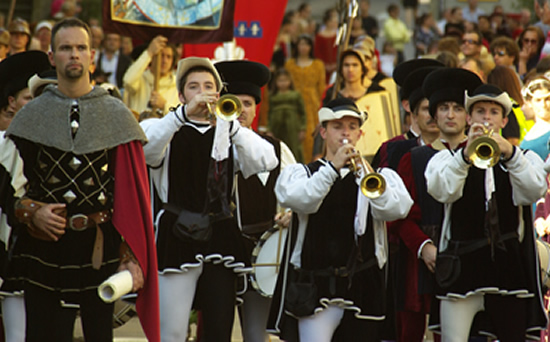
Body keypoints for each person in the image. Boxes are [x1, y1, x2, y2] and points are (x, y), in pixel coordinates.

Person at [2, 18, 159, 342]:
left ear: (92, 55)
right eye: (65, 48)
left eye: (80, 48)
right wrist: (32, 212)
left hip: (99, 249)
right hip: (42, 248)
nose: (74, 54)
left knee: (99, 337)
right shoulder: (31, 116)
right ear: (51, 57)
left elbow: (131, 193)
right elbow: (8, 188)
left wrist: (132, 256)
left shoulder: (116, 115)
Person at [140, 56, 278, 341]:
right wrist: (180, 114)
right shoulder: (165, 127)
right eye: (193, 86)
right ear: (181, 95)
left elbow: (267, 160)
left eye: (208, 86)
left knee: (218, 329)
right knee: (173, 331)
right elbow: (145, 150)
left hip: (220, 233)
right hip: (177, 233)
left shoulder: (229, 132)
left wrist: (232, 125)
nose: (202, 92)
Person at [267, 97, 413, 342]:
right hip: (317, 286)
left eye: (352, 127)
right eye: (337, 126)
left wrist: (366, 173)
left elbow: (398, 209)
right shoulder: (302, 173)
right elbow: (301, 199)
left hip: (364, 286)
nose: (346, 133)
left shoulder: (378, 176)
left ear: (360, 133)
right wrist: (332, 168)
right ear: (323, 132)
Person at [425, 81, 548, 341]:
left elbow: (533, 190)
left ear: (504, 121)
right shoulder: (447, 158)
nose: (487, 118)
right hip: (462, 271)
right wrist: (464, 157)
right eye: (480, 112)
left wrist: (511, 155)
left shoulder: (524, 157)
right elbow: (442, 191)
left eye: (494, 113)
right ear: (469, 119)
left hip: (508, 271)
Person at [391, 67, 483, 342]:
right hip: (423, 264)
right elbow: (400, 216)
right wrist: (424, 247)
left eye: (457, 108)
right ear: (434, 115)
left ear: (467, 116)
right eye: (444, 108)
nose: (451, 114)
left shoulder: (484, 156)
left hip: (472, 259)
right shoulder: (415, 158)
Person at [215, 59, 296, 342]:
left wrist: (290, 213)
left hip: (262, 257)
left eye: (247, 103)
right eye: (233, 102)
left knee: (255, 335)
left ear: (256, 108)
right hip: (220, 253)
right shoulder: (210, 149)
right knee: (215, 331)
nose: (241, 110)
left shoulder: (276, 148)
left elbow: (294, 192)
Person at [285, 34, 326, 163]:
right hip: (293, 103)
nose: (303, 47)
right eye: (301, 44)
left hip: (313, 104)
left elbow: (321, 87)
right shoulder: (290, 64)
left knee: (311, 135)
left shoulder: (318, 65)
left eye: (306, 44)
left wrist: (322, 106)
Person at [123, 35, 178, 114]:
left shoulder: (177, 85)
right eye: (161, 55)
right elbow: (128, 81)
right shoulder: (140, 79)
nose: (165, 61)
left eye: (168, 57)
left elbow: (181, 116)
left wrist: (164, 106)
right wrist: (149, 52)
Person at [268, 68, 306, 162]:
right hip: (276, 126)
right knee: (278, 148)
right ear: (276, 82)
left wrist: (302, 128)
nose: (283, 83)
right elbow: (269, 113)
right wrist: (269, 129)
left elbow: (303, 113)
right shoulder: (273, 96)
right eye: (280, 80)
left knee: (294, 148)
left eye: (285, 80)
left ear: (290, 81)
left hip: (292, 126)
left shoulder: (295, 95)